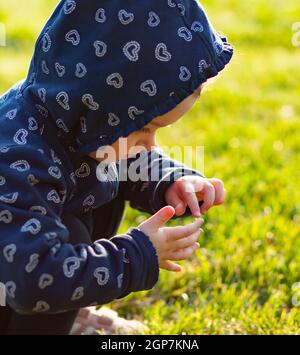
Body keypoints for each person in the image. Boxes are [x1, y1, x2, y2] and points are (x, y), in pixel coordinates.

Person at [0, 0, 233, 334]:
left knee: (104, 181)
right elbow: (33, 279)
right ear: (96, 99)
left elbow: (124, 162)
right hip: (22, 279)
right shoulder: (18, 159)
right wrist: (136, 256)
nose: (150, 144)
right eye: (144, 128)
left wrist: (170, 181)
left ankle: (68, 313)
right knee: (72, 233)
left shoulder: (75, 119)